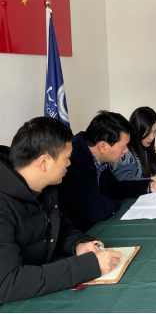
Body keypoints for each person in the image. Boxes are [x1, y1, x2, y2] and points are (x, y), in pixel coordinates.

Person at [0, 118, 122, 306]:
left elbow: (60, 226)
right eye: (66, 158)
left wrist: (79, 244)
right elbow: (8, 283)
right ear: (44, 162)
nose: (69, 164)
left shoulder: (43, 188)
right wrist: (88, 266)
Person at [58, 111, 156, 232]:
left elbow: (115, 187)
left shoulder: (97, 155)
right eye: (123, 146)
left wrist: (148, 186)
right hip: (79, 233)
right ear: (102, 147)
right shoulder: (73, 160)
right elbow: (98, 209)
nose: (126, 151)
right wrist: (119, 202)